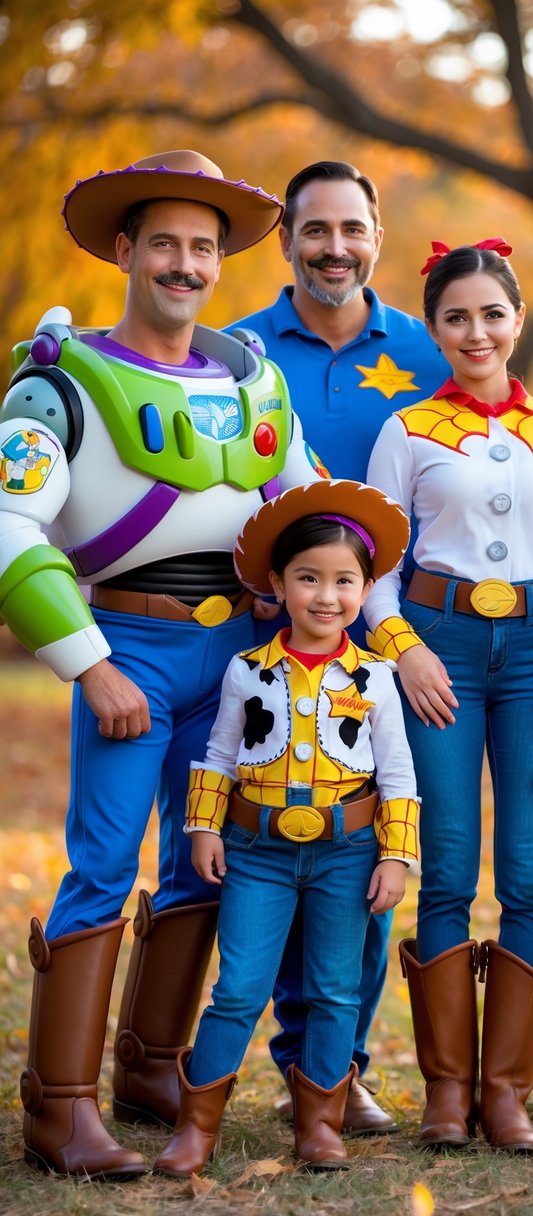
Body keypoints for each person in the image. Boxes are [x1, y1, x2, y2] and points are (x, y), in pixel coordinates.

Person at [0, 150, 324, 1179]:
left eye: (203, 246)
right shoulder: (59, 384)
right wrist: (90, 665)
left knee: (200, 862)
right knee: (102, 868)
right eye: (165, 244)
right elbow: (10, 526)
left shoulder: (256, 383)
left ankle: (150, 1064)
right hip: (126, 647)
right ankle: (59, 1110)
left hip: (237, 664)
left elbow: (305, 505)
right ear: (127, 251)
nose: (184, 264)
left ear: (220, 261)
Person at [363, 238, 533, 1152]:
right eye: (455, 317)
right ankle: (446, 1091)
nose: (475, 331)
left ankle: (507, 1092)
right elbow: (375, 567)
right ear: (433, 328)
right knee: (450, 863)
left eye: (491, 314)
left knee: (527, 870)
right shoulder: (407, 430)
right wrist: (405, 653)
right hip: (443, 655)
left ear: (517, 320)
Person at [230, 161, 448, 1132]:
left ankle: (340, 1061)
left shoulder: (425, 349)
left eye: (351, 228)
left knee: (366, 860)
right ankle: (282, 1058)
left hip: (390, 651)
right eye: (313, 230)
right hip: (268, 646)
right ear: (284, 242)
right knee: (272, 845)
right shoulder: (236, 355)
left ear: (377, 237)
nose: (333, 247)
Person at [155, 479, 419, 1173]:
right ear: (276, 583)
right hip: (257, 852)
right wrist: (205, 829)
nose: (325, 597)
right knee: (239, 985)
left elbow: (396, 774)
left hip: (347, 851)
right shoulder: (249, 670)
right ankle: (196, 1127)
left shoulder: (376, 678)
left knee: (335, 986)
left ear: (365, 589)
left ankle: (319, 1125)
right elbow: (217, 754)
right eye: (307, 578)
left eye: (343, 581)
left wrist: (395, 857)